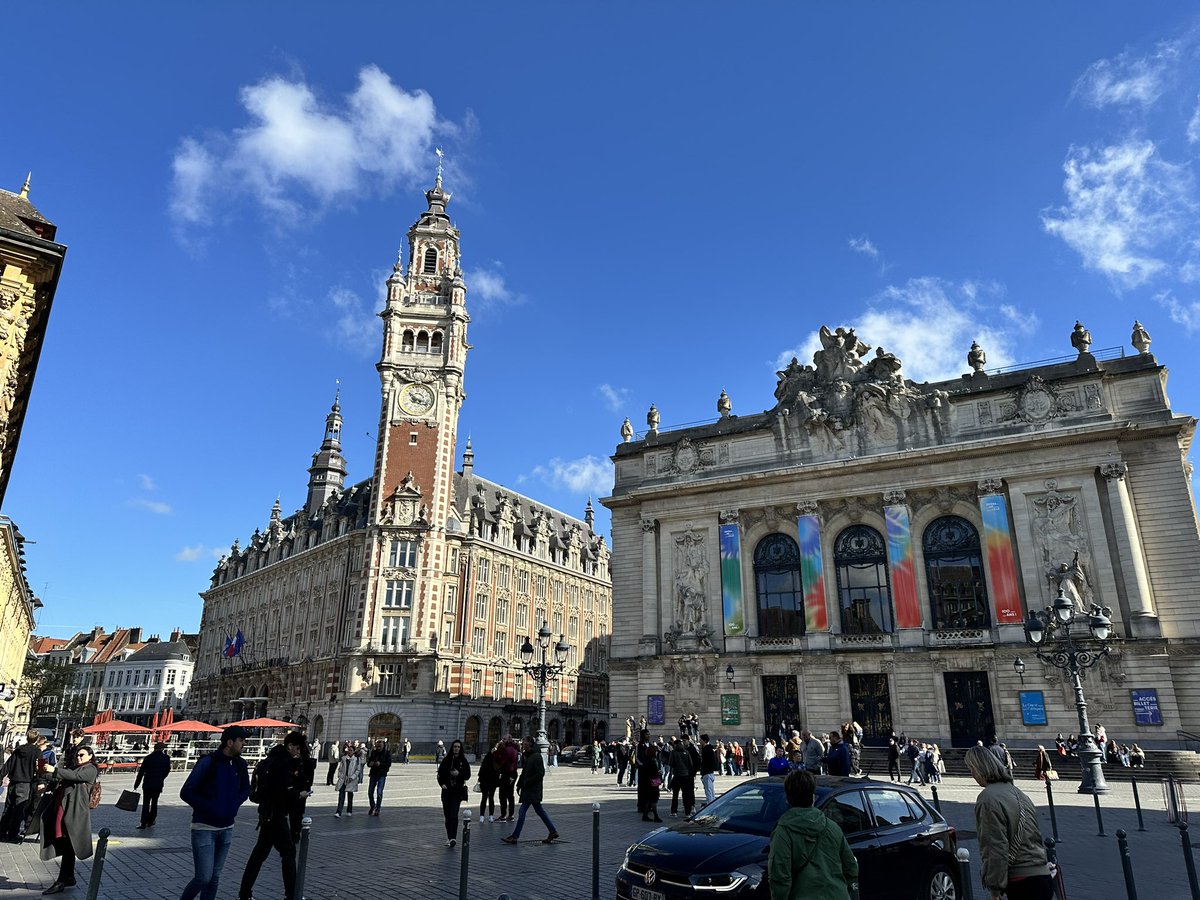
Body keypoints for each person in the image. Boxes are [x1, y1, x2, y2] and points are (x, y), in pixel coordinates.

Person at [965, 745, 1053, 900]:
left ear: (979, 769)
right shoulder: (1019, 793)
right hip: (1042, 874)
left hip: (1021, 881)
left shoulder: (988, 798)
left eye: (971, 769)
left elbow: (995, 846)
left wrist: (995, 889)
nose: (972, 775)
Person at [179, 725, 252, 900]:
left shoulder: (240, 764)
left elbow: (246, 788)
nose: (244, 744)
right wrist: (210, 807)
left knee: (214, 878)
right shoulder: (208, 762)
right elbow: (186, 791)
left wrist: (234, 804)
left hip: (227, 827)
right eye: (241, 740)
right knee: (203, 877)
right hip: (204, 827)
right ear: (229, 742)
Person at [768, 769, 858, 900]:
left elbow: (780, 877)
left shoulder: (783, 832)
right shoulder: (832, 826)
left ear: (787, 799)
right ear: (813, 797)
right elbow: (851, 866)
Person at [237, 732, 307, 900]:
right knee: (288, 853)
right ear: (290, 746)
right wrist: (299, 794)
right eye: (297, 748)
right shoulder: (283, 763)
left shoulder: (270, 760)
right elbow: (281, 791)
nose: (298, 751)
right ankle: (292, 895)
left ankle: (244, 893)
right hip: (276, 814)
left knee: (258, 855)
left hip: (265, 813)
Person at [36, 743, 100, 895]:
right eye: (77, 755)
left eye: (82, 755)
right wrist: (43, 772)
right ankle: (68, 877)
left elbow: (75, 777)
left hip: (75, 813)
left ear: (90, 756)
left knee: (69, 843)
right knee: (67, 845)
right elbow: (60, 776)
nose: (78, 757)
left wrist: (56, 770)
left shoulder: (90, 769)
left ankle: (61, 880)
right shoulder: (74, 767)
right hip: (63, 811)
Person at [502, 736, 558, 844]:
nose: (523, 744)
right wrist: (519, 784)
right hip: (530, 790)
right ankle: (553, 831)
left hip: (532, 790)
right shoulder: (528, 756)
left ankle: (515, 836)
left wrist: (526, 783)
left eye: (525, 742)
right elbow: (524, 773)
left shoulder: (536, 757)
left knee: (522, 811)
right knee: (540, 811)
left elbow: (540, 773)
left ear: (530, 744)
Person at [0, 728, 41, 843]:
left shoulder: (18, 750)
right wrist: (41, 781)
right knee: (19, 809)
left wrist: (1, 776)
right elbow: (41, 768)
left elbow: (8, 765)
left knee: (8, 808)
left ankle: (2, 832)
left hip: (13, 782)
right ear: (37, 739)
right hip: (26, 783)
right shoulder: (37, 752)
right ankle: (13, 834)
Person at [436, 739, 471, 847]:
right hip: (446, 792)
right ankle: (449, 836)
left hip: (457, 792)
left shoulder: (463, 761)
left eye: (458, 747)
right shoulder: (446, 760)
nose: (456, 748)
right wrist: (442, 784)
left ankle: (453, 838)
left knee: (454, 815)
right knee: (447, 816)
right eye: (455, 747)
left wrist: (458, 774)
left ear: (460, 749)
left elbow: (467, 775)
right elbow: (440, 775)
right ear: (452, 748)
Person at [134, 741, 173, 829]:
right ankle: (151, 821)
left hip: (147, 783)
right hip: (158, 784)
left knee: (146, 803)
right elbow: (167, 771)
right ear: (162, 749)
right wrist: (161, 778)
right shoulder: (166, 758)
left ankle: (143, 823)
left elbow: (141, 772)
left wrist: (136, 784)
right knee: (154, 803)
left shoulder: (148, 758)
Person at [667, 736, 699, 818]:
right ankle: (687, 812)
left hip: (677, 775)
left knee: (675, 795)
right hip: (685, 776)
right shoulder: (686, 752)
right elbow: (691, 764)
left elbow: (671, 763)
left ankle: (674, 812)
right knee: (686, 794)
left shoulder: (673, 752)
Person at [635, 730, 662, 822]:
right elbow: (637, 758)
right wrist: (642, 765)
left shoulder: (650, 744)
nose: (649, 736)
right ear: (643, 735)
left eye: (649, 734)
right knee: (643, 789)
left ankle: (648, 808)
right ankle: (641, 806)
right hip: (643, 771)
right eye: (647, 734)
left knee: (649, 791)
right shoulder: (640, 745)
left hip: (650, 771)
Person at [334, 741, 362, 817]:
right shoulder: (343, 759)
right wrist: (340, 775)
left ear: (353, 752)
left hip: (351, 780)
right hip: (343, 779)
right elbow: (340, 768)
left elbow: (358, 770)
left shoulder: (356, 760)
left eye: (351, 750)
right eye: (348, 750)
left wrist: (352, 777)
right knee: (341, 796)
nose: (349, 751)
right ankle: (338, 812)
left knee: (350, 795)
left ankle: (349, 810)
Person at [495, 736, 519, 822]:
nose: (502, 740)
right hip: (513, 773)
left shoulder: (507, 749)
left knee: (502, 795)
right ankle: (511, 814)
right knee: (510, 795)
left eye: (504, 739)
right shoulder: (515, 748)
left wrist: (497, 752)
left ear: (508, 740)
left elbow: (501, 760)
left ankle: (503, 815)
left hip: (507, 773)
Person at [366, 739, 392, 817]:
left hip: (381, 775)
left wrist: (380, 764)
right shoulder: (374, 753)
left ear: (383, 745)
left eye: (380, 745)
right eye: (377, 745)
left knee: (379, 792)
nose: (378, 747)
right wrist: (371, 763)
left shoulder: (387, 753)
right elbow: (368, 763)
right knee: (370, 792)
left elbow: (388, 764)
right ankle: (372, 805)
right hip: (373, 774)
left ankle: (378, 808)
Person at [477, 742, 501, 823]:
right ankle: (488, 816)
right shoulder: (495, 757)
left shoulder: (491, 757)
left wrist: (480, 778)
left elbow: (482, 768)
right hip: (489, 780)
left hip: (488, 780)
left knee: (486, 798)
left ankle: (484, 816)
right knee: (489, 798)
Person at [699, 734, 719, 807]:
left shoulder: (707, 749)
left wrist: (704, 770)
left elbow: (707, 762)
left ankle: (710, 806)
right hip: (709, 773)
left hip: (707, 773)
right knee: (710, 791)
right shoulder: (709, 749)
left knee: (709, 792)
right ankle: (712, 804)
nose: (699, 741)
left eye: (700, 740)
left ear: (704, 740)